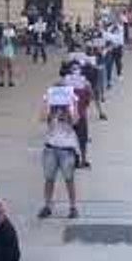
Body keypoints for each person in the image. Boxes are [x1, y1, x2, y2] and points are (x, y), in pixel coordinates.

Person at [39, 91, 81, 219]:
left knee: (69, 179)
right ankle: (47, 205)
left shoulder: (71, 107)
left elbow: (75, 120)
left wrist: (71, 102)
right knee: (49, 179)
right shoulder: (50, 110)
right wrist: (46, 101)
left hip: (67, 150)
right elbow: (41, 118)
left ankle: (73, 207)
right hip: (50, 148)